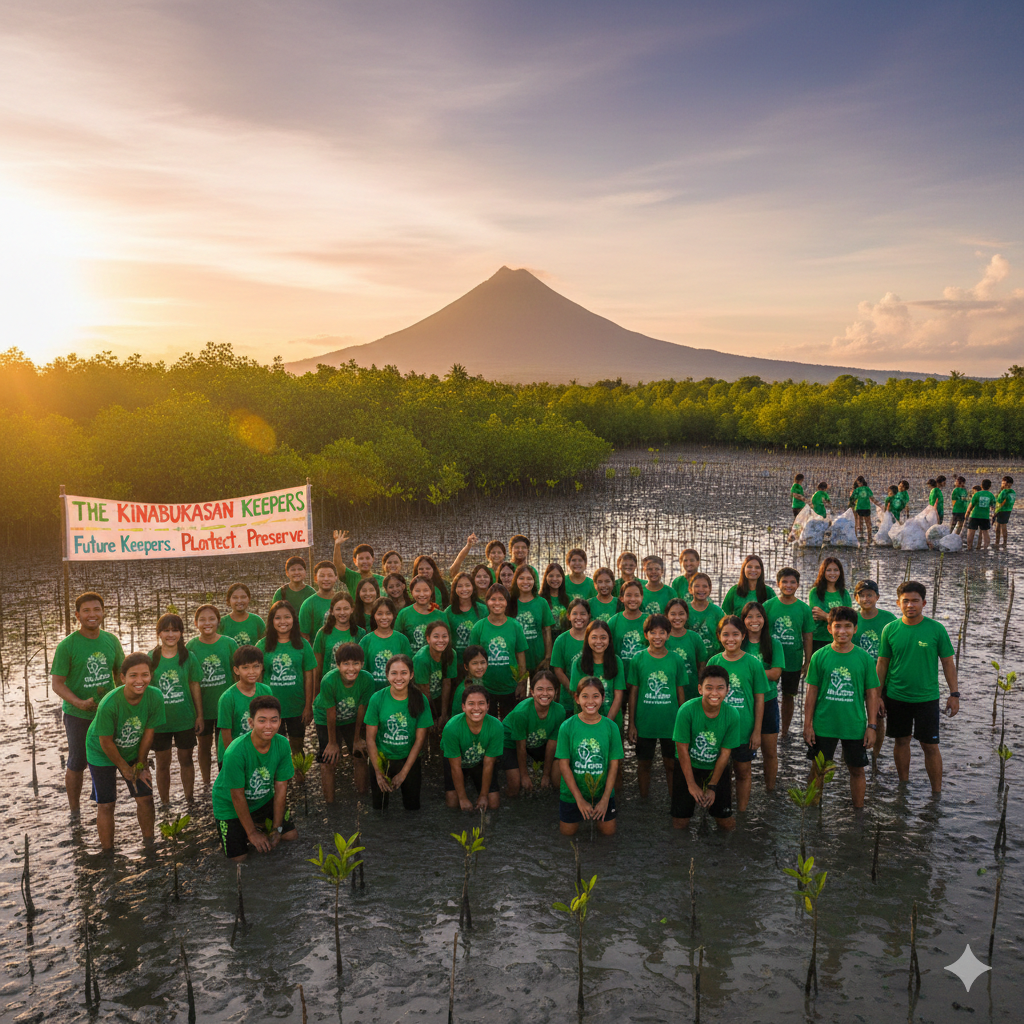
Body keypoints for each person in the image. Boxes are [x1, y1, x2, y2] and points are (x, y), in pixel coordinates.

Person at [876, 581, 958, 794]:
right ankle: (903, 786)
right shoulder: (890, 629)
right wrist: (877, 696)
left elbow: (948, 662)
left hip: (927, 698)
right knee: (901, 741)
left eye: (915, 601)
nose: (910, 605)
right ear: (898, 603)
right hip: (896, 696)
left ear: (924, 603)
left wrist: (954, 694)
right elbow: (882, 664)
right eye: (906, 601)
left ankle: (936, 793)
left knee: (930, 746)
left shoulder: (936, 629)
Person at [51, 591, 125, 815]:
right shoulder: (67, 645)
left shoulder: (111, 640)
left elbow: (122, 675)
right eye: (86, 611)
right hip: (78, 714)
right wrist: (79, 702)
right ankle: (75, 812)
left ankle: (102, 804)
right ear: (77, 615)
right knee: (77, 761)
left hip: (106, 713)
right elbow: (57, 683)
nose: (92, 615)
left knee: (106, 758)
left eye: (96, 610)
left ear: (103, 613)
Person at [85, 652, 164, 850]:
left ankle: (149, 844)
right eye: (133, 676)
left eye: (145, 675)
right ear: (122, 678)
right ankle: (108, 852)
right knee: (107, 803)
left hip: (132, 749)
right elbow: (106, 742)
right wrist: (125, 769)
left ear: (151, 675)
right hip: (101, 752)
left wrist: (140, 764)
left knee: (145, 797)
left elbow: (148, 733)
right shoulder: (109, 703)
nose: (140, 681)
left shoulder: (155, 697)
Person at [804, 607, 880, 809]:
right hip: (823, 724)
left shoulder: (864, 658)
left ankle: (858, 813)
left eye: (848, 627)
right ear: (829, 628)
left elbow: (872, 694)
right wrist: (807, 724)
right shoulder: (819, 656)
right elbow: (811, 693)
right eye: (837, 626)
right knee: (819, 769)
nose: (842, 631)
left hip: (854, 725)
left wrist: (872, 726)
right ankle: (812, 814)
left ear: (855, 629)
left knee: (857, 770)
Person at [212, 695, 297, 861]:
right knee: (239, 859)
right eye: (262, 720)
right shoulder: (235, 752)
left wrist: (277, 828)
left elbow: (281, 789)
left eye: (274, 720)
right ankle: (245, 829)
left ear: (280, 722)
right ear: (251, 723)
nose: (268, 726)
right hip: (229, 805)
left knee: (290, 836)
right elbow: (237, 795)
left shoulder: (282, 744)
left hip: (262, 800)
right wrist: (252, 834)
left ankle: (255, 826)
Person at [707, 616, 768, 812]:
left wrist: (757, 731)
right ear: (719, 637)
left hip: (744, 727)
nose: (730, 639)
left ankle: (741, 812)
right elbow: (707, 697)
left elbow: (759, 699)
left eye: (735, 634)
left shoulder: (753, 664)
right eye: (725, 634)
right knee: (717, 772)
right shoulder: (714, 661)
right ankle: (719, 811)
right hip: (718, 728)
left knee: (743, 771)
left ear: (744, 636)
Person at [671, 665, 740, 831]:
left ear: (728, 690)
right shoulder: (686, 710)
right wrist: (691, 784)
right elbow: (682, 749)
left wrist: (712, 786)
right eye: (709, 688)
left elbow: (725, 754)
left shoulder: (732, 715)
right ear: (700, 689)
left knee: (726, 823)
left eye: (720, 688)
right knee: (680, 823)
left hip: (716, 768)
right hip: (688, 766)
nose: (714, 693)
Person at [628, 614, 687, 799]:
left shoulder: (676, 659)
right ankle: (644, 801)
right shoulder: (638, 659)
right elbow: (634, 692)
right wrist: (631, 723)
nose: (658, 636)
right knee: (644, 764)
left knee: (671, 764)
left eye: (662, 632)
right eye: (653, 632)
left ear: (669, 635)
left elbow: (680, 693)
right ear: (646, 635)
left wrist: (684, 723)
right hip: (645, 722)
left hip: (671, 723)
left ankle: (673, 802)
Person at [555, 677, 623, 836]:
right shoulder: (567, 726)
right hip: (572, 794)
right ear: (576, 699)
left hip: (602, 792)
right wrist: (579, 799)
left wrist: (605, 798)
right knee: (567, 836)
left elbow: (614, 765)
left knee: (608, 835)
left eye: (595, 696)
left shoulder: (611, 727)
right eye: (585, 696)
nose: (590, 701)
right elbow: (564, 765)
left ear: (603, 698)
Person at [364, 654, 433, 811]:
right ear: (387, 675)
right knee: (379, 810)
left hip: (409, 759)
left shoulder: (420, 700)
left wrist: (403, 773)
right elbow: (370, 739)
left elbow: (419, 741)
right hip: (381, 759)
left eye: (404, 673)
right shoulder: (377, 698)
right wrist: (378, 772)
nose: (399, 678)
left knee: (412, 809)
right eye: (394, 673)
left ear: (411, 674)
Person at [149, 613, 203, 805]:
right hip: (160, 722)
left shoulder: (188, 657)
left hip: (185, 718)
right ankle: (164, 803)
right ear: (159, 633)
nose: (170, 634)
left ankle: (189, 799)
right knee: (162, 764)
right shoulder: (151, 658)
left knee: (186, 759)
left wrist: (200, 716)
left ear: (181, 633)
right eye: (166, 630)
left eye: (175, 630)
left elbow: (195, 686)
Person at [186, 604, 238, 788]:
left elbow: (236, 675)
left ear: (218, 621)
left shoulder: (229, 643)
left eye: (211, 619)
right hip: (203, 707)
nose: (207, 623)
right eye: (202, 619)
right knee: (204, 746)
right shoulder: (191, 646)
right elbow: (191, 681)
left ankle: (225, 781)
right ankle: (207, 784)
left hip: (226, 706)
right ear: (195, 623)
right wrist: (197, 714)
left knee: (225, 746)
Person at [256, 601, 316, 757]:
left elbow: (309, 677)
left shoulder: (303, 645)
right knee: (275, 749)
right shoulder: (263, 645)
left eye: (287, 617)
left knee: (297, 747)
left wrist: (308, 706)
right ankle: (280, 781)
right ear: (271, 621)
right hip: (271, 708)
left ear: (294, 620)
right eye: (278, 618)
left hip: (296, 705)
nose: (283, 622)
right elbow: (258, 678)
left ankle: (300, 777)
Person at [314, 642, 372, 801]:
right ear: (338, 665)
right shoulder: (328, 681)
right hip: (324, 717)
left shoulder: (367, 679)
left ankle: (362, 798)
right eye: (346, 664)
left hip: (352, 718)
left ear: (362, 664)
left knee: (359, 754)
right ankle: (330, 805)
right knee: (328, 760)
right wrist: (332, 743)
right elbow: (331, 712)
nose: (351, 668)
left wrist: (356, 739)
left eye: (355, 664)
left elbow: (362, 709)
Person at [763, 567, 813, 739]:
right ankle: (766, 729)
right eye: (784, 582)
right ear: (778, 584)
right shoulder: (768, 606)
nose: (788, 585)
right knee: (766, 693)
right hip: (771, 659)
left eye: (792, 582)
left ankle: (784, 731)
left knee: (788, 696)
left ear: (798, 585)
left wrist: (807, 661)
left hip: (793, 659)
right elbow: (760, 633)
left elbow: (807, 636)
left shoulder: (804, 608)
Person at [740, 602, 784, 791]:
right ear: (743, 620)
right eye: (749, 617)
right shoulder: (738, 641)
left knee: (770, 752)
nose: (754, 620)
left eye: (758, 616)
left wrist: (747, 672)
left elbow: (775, 674)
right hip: (742, 703)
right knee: (739, 751)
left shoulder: (774, 643)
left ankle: (770, 790)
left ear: (764, 619)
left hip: (768, 701)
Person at [501, 669, 566, 797]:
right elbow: (520, 747)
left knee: (556, 781)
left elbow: (552, 745)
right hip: (511, 742)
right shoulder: (521, 713)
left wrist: (546, 775)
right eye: (540, 689)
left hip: (538, 741)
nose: (545, 694)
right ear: (532, 692)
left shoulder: (559, 711)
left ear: (556, 692)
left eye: (550, 689)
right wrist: (524, 776)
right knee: (515, 786)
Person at [468, 584, 528, 718]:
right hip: (486, 686)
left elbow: (521, 655)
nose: (497, 603)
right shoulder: (479, 627)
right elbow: (471, 658)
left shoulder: (515, 626)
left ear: (507, 602)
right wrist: (476, 685)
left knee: (509, 724)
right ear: (487, 602)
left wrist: (522, 683)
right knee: (488, 722)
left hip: (510, 686)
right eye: (493, 599)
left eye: (501, 599)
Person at [441, 685, 503, 811]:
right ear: (463, 707)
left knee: (493, 803)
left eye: (481, 703)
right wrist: (463, 798)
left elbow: (489, 764)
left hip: (480, 761)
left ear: (487, 706)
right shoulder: (451, 728)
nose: (476, 708)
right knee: (453, 802)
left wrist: (484, 795)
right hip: (457, 762)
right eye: (471, 704)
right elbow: (455, 766)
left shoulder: (496, 726)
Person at [216, 645, 272, 766]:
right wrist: (232, 758)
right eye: (245, 668)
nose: (251, 672)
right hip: (232, 753)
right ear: (236, 670)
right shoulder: (227, 698)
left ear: (262, 667)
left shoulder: (266, 691)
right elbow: (226, 732)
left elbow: (270, 723)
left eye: (256, 666)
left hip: (257, 751)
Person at [570, 620, 627, 727]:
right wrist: (587, 722)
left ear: (609, 639)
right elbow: (576, 695)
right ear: (587, 639)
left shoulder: (617, 661)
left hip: (611, 721)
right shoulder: (578, 663)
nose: (599, 641)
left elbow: (618, 696)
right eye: (594, 637)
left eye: (603, 638)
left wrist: (606, 723)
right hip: (584, 722)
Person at [359, 596, 413, 690]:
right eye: (380, 614)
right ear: (374, 615)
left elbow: (408, 668)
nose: (384, 617)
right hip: (372, 695)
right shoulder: (366, 641)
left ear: (393, 615)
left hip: (397, 693)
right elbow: (361, 672)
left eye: (388, 613)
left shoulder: (402, 640)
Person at [312, 591, 364, 686]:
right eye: (338, 609)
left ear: (352, 609)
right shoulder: (323, 633)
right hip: (329, 685)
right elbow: (317, 667)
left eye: (346, 609)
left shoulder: (360, 633)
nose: (342, 612)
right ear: (332, 611)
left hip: (353, 686)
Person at [509, 564, 553, 673]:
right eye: (521, 578)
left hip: (538, 657)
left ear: (534, 581)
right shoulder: (510, 602)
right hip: (516, 658)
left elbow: (547, 631)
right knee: (520, 689)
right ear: (515, 581)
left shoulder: (541, 602)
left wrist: (547, 657)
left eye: (529, 578)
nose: (525, 582)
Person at [550, 599, 590, 712]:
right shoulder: (561, 640)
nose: (579, 617)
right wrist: (573, 691)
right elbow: (558, 670)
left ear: (589, 616)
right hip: (568, 699)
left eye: (583, 614)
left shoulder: (593, 639)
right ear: (568, 616)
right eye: (574, 613)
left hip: (591, 699)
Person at [413, 619, 456, 720]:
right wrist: (433, 718)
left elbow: (447, 683)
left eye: (444, 636)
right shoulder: (421, 659)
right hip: (420, 698)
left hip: (438, 696)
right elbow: (425, 692)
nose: (441, 640)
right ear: (428, 639)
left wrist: (443, 714)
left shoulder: (451, 654)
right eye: (436, 636)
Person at [665, 598, 706, 700]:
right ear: (666, 616)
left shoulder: (695, 638)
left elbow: (702, 665)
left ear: (687, 615)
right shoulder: (663, 638)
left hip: (691, 691)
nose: (677, 618)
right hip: (668, 691)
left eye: (681, 614)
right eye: (673, 614)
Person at [809, 557, 851, 652]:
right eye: (829, 570)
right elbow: (817, 613)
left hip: (839, 638)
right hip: (818, 638)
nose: (832, 573)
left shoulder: (844, 593)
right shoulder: (815, 592)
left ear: (840, 573)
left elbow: (849, 617)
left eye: (836, 570)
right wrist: (840, 619)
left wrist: (826, 616)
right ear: (823, 572)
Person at [445, 572, 487, 665]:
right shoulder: (448, 612)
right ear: (454, 588)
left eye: (467, 585)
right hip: (457, 663)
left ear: (473, 587)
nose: (464, 589)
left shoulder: (483, 610)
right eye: (460, 586)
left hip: (479, 662)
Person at [395, 576, 444, 654]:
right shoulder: (404, 614)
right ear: (411, 592)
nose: (422, 594)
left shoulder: (441, 615)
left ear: (431, 591)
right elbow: (397, 641)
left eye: (426, 590)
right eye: (417, 591)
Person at [331, 533, 383, 597]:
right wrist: (337, 545)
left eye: (367, 558)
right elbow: (338, 565)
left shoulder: (382, 580)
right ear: (355, 561)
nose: (364, 561)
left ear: (373, 559)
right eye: (361, 558)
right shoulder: (351, 577)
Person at [685, 573, 724, 657]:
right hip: (691, 657)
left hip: (713, 657)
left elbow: (724, 633)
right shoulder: (685, 610)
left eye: (705, 586)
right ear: (690, 589)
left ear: (710, 589)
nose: (701, 589)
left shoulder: (717, 611)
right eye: (697, 586)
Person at [608, 580, 646, 665]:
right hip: (620, 672)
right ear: (621, 598)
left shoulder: (649, 621)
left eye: (636, 595)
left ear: (642, 597)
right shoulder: (613, 622)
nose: (633, 599)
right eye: (628, 595)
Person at [298, 560, 339, 640]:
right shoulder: (308, 604)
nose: (326, 579)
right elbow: (304, 636)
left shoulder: (343, 601)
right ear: (315, 578)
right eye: (322, 576)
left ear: (336, 578)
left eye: (330, 575)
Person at [270, 555, 315, 620]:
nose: (296, 572)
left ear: (305, 572)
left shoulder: (311, 593)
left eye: (300, 569)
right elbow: (274, 617)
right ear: (287, 573)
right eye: (293, 570)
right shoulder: (281, 593)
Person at [965, 479, 996, 551]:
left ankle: (969, 547)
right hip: (985, 516)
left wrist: (967, 513)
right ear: (990, 486)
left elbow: (971, 505)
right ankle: (985, 547)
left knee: (971, 531)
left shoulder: (977, 494)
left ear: (981, 486)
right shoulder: (991, 495)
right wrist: (993, 515)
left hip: (974, 515)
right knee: (985, 532)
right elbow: (993, 507)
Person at [541, 563, 571, 634]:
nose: (554, 579)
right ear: (546, 577)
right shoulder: (540, 599)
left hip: (564, 638)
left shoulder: (568, 599)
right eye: (551, 576)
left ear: (562, 578)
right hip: (545, 638)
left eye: (558, 576)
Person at [849, 476, 880, 541]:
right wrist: (880, 505)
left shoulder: (856, 490)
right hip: (866, 508)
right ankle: (869, 538)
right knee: (868, 524)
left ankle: (858, 538)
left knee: (859, 524)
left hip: (859, 508)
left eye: (858, 483)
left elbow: (852, 499)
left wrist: (850, 505)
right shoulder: (867, 489)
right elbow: (872, 499)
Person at [994, 476, 1015, 548]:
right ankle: (1004, 542)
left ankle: (997, 542)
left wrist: (995, 511)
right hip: (1008, 510)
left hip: (1001, 510)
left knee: (999, 527)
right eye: (1002, 483)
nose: (1002, 485)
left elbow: (998, 501)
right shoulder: (1013, 492)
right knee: (1003, 526)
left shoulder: (1004, 491)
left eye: (1004, 483)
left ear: (1008, 484)